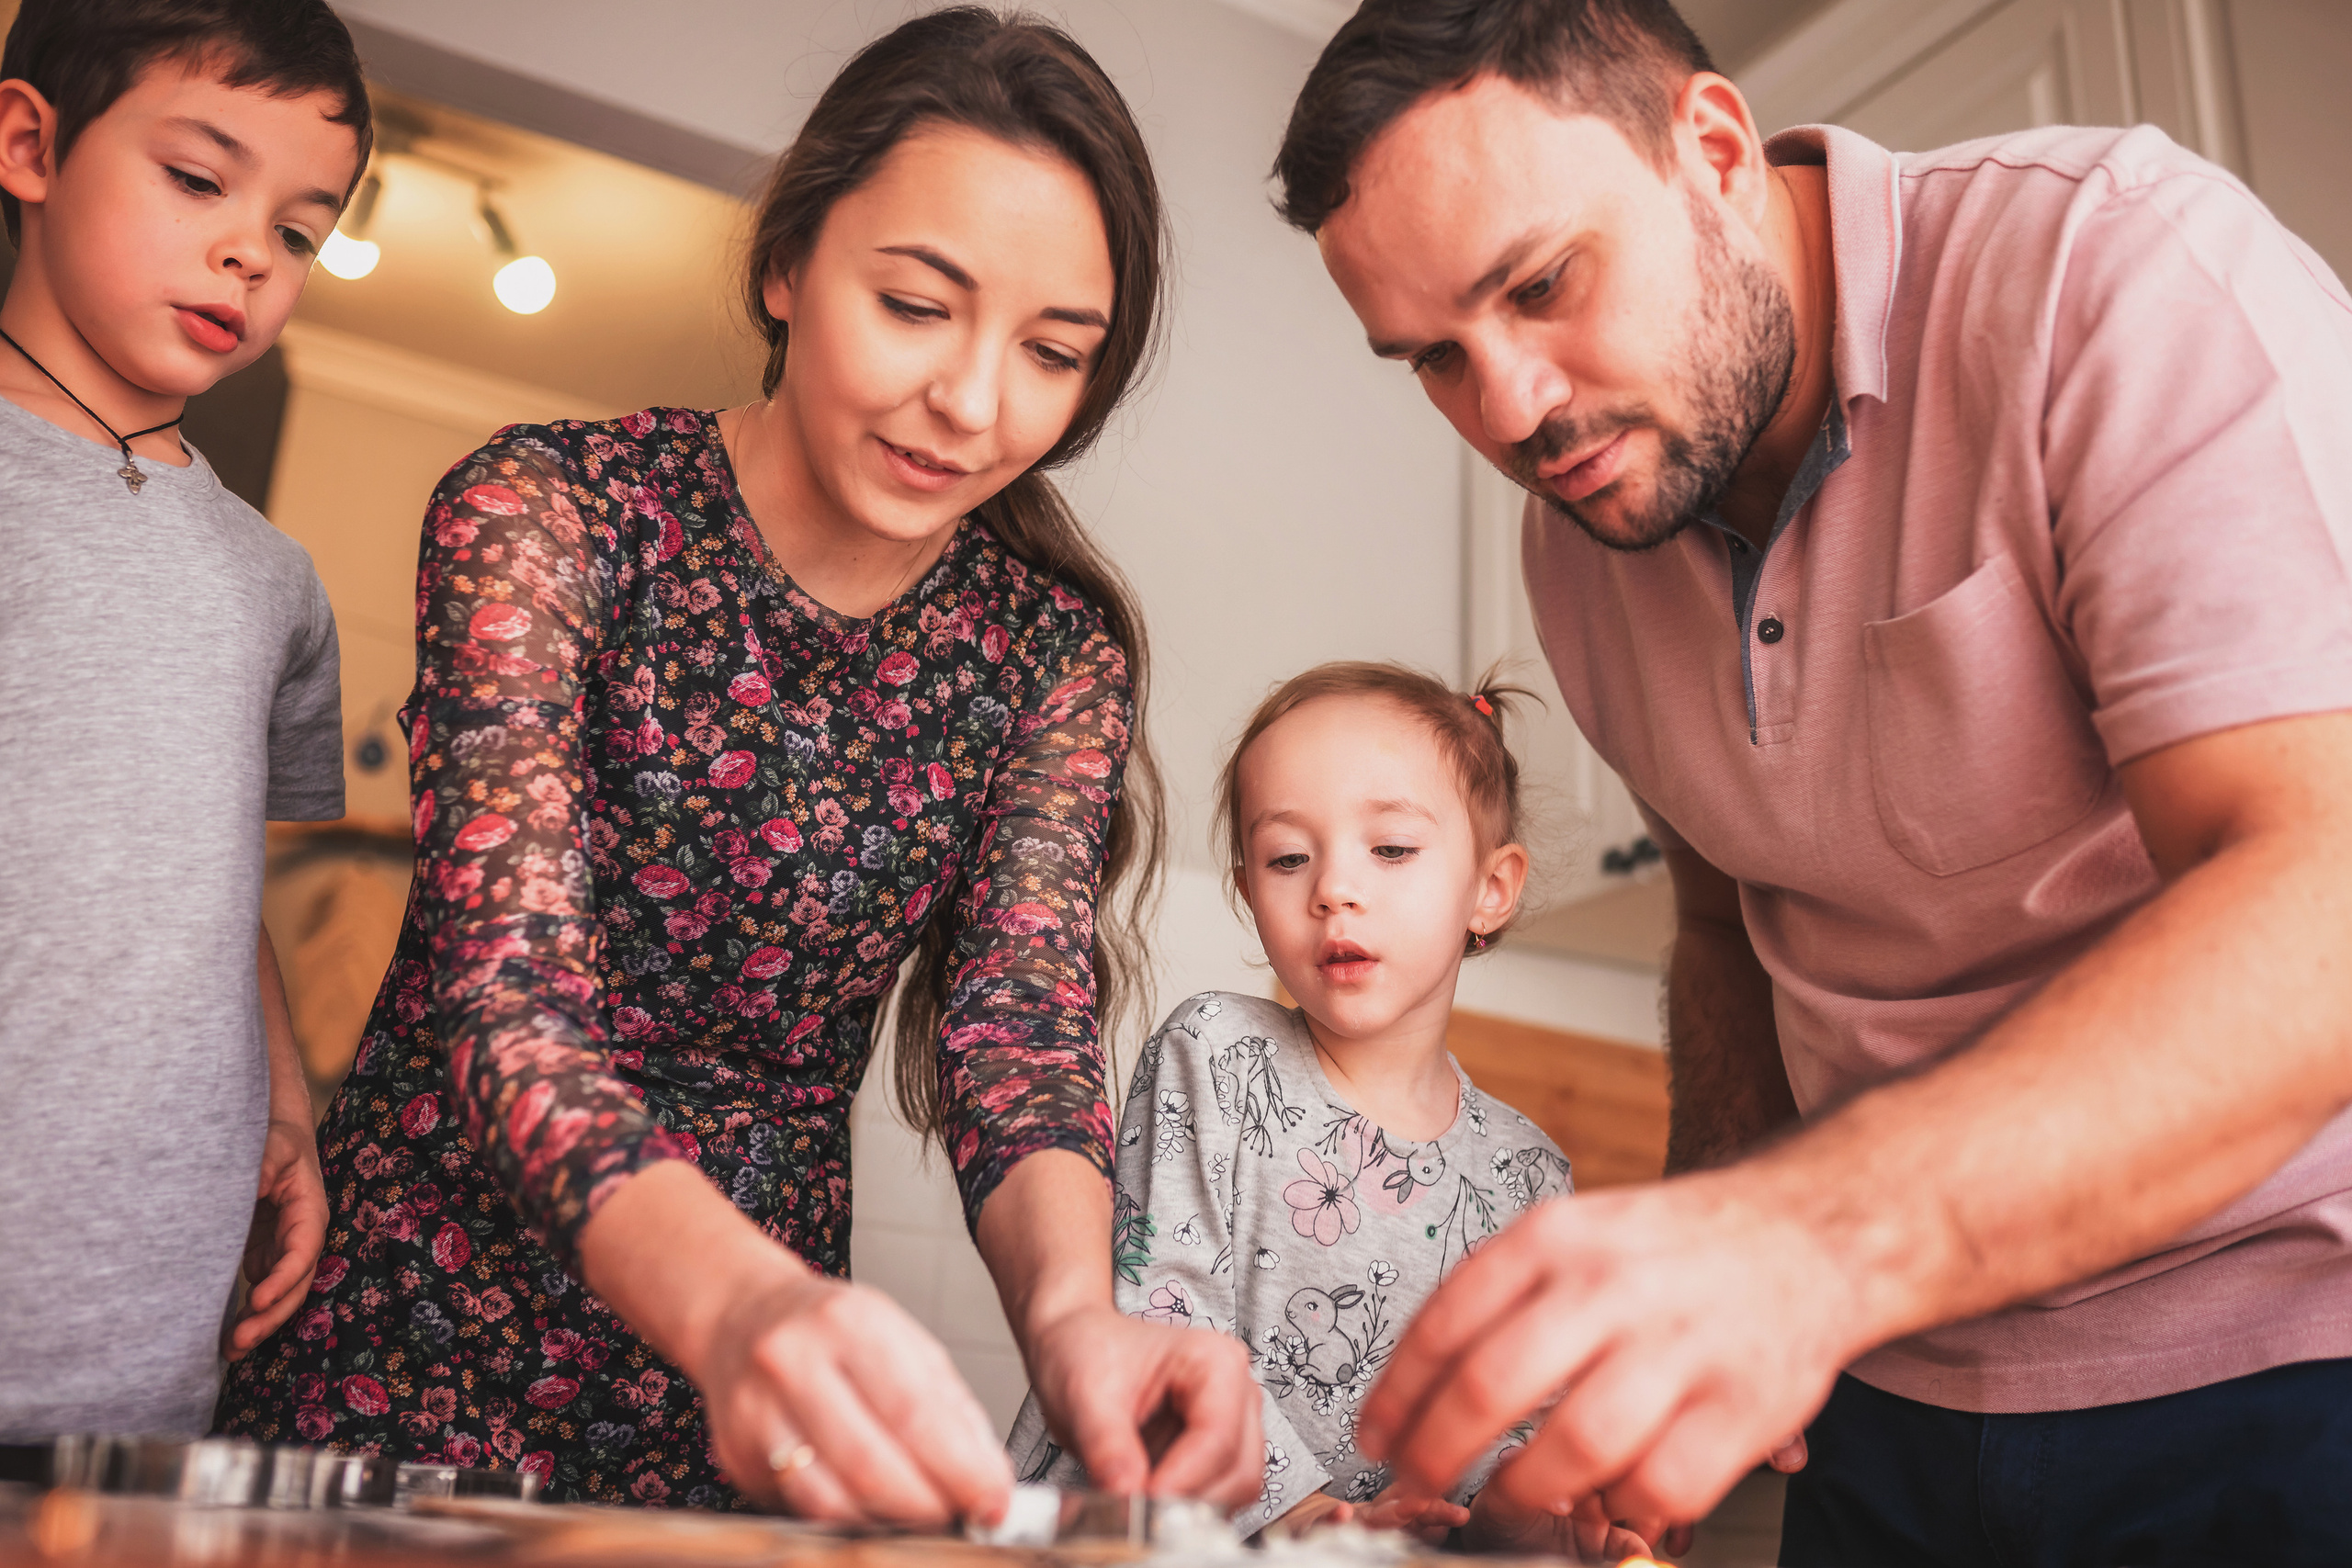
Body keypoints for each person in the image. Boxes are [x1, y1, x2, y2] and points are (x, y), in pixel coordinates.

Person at [1272, 0, 2352, 1561]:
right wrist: (1689, 1284)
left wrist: (1799, 1241)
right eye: (1436, 356)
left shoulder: (2111, 270)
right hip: (1887, 1401)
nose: (1507, 411)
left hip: (2280, 1365)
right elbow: (1728, 927)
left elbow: (2321, 896)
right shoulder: (1582, 535)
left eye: (1542, 285)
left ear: (1712, 150)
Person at [218, 7, 1261, 1523]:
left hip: (746, 1402)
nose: (975, 404)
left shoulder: (1048, 654)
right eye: (918, 305)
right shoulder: (551, 514)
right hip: (413, 1328)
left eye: (1053, 352)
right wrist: (735, 1308)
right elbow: (505, 1003)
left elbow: (1015, 1033)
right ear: (787, 265)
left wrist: (1076, 1322)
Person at [1006, 662, 1647, 1560]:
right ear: (1247, 891)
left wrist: (1517, 1507)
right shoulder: (1216, 1053)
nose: (1333, 889)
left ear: (1490, 889)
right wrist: (1294, 1512)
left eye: (1390, 849)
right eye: (1287, 857)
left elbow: (1508, 1414)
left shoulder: (1528, 1172)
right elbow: (1159, 1312)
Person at [0, 0, 366, 1446]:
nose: (250, 253)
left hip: (144, 1346)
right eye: (199, 179)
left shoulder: (270, 576)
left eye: (302, 229)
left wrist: (286, 1105)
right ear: (30, 144)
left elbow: (215, 879)